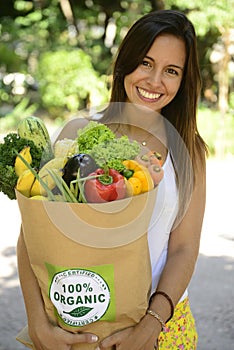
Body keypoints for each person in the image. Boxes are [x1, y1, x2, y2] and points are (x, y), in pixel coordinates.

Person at [17, 9, 207, 350]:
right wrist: (37, 323)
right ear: (126, 63)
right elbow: (32, 235)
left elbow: (183, 248)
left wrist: (151, 325)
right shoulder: (78, 132)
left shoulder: (188, 151)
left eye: (171, 71)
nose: (154, 81)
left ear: (183, 81)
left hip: (163, 326)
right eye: (146, 63)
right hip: (77, 325)